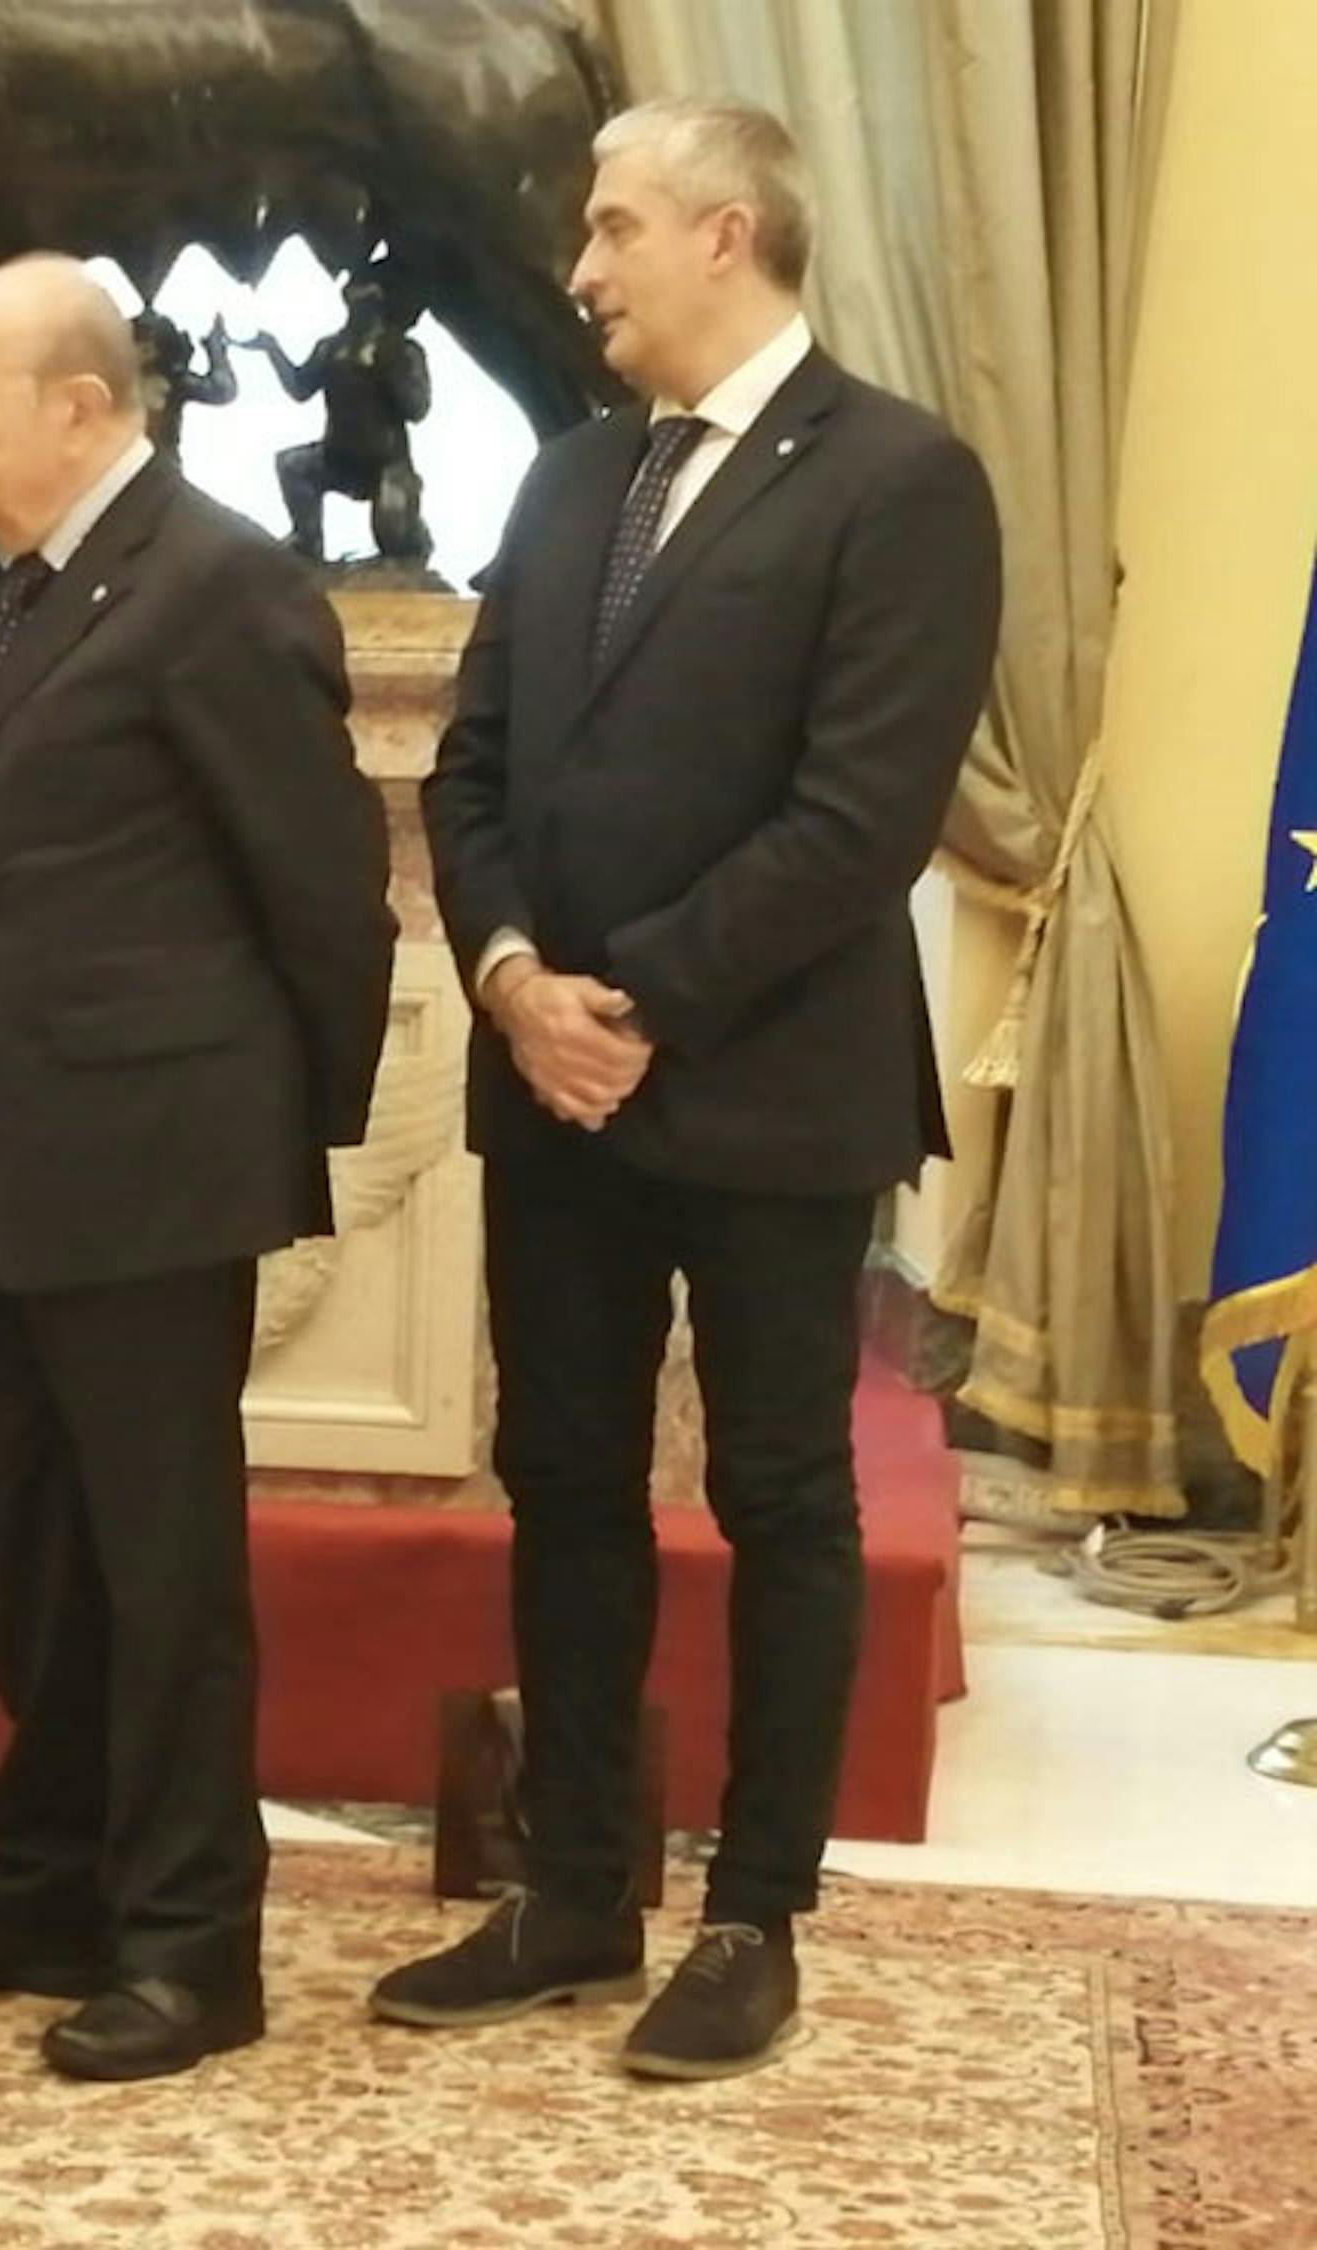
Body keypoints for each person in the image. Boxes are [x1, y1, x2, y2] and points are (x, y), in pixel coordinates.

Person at [372, 97, 1000, 2081]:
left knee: (780, 1493)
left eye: (616, 228)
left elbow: (858, 815)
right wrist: (506, 980)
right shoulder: (568, 481)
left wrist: (622, 999)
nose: (581, 268)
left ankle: (754, 1917)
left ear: (729, 236)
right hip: (555, 1087)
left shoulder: (903, 480)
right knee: (561, 1477)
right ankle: (572, 1891)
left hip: (766, 1088)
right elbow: (469, 774)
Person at [0, 255, 395, 2085]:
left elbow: (321, 885)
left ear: (81, 406)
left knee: (161, 1580)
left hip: (151, 1166)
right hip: (2, 1160)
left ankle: (190, 1942)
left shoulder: (216, 582)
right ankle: (46, 1876)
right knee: (36, 1559)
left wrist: (272, 1135)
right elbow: (17, 845)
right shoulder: (15, 592)